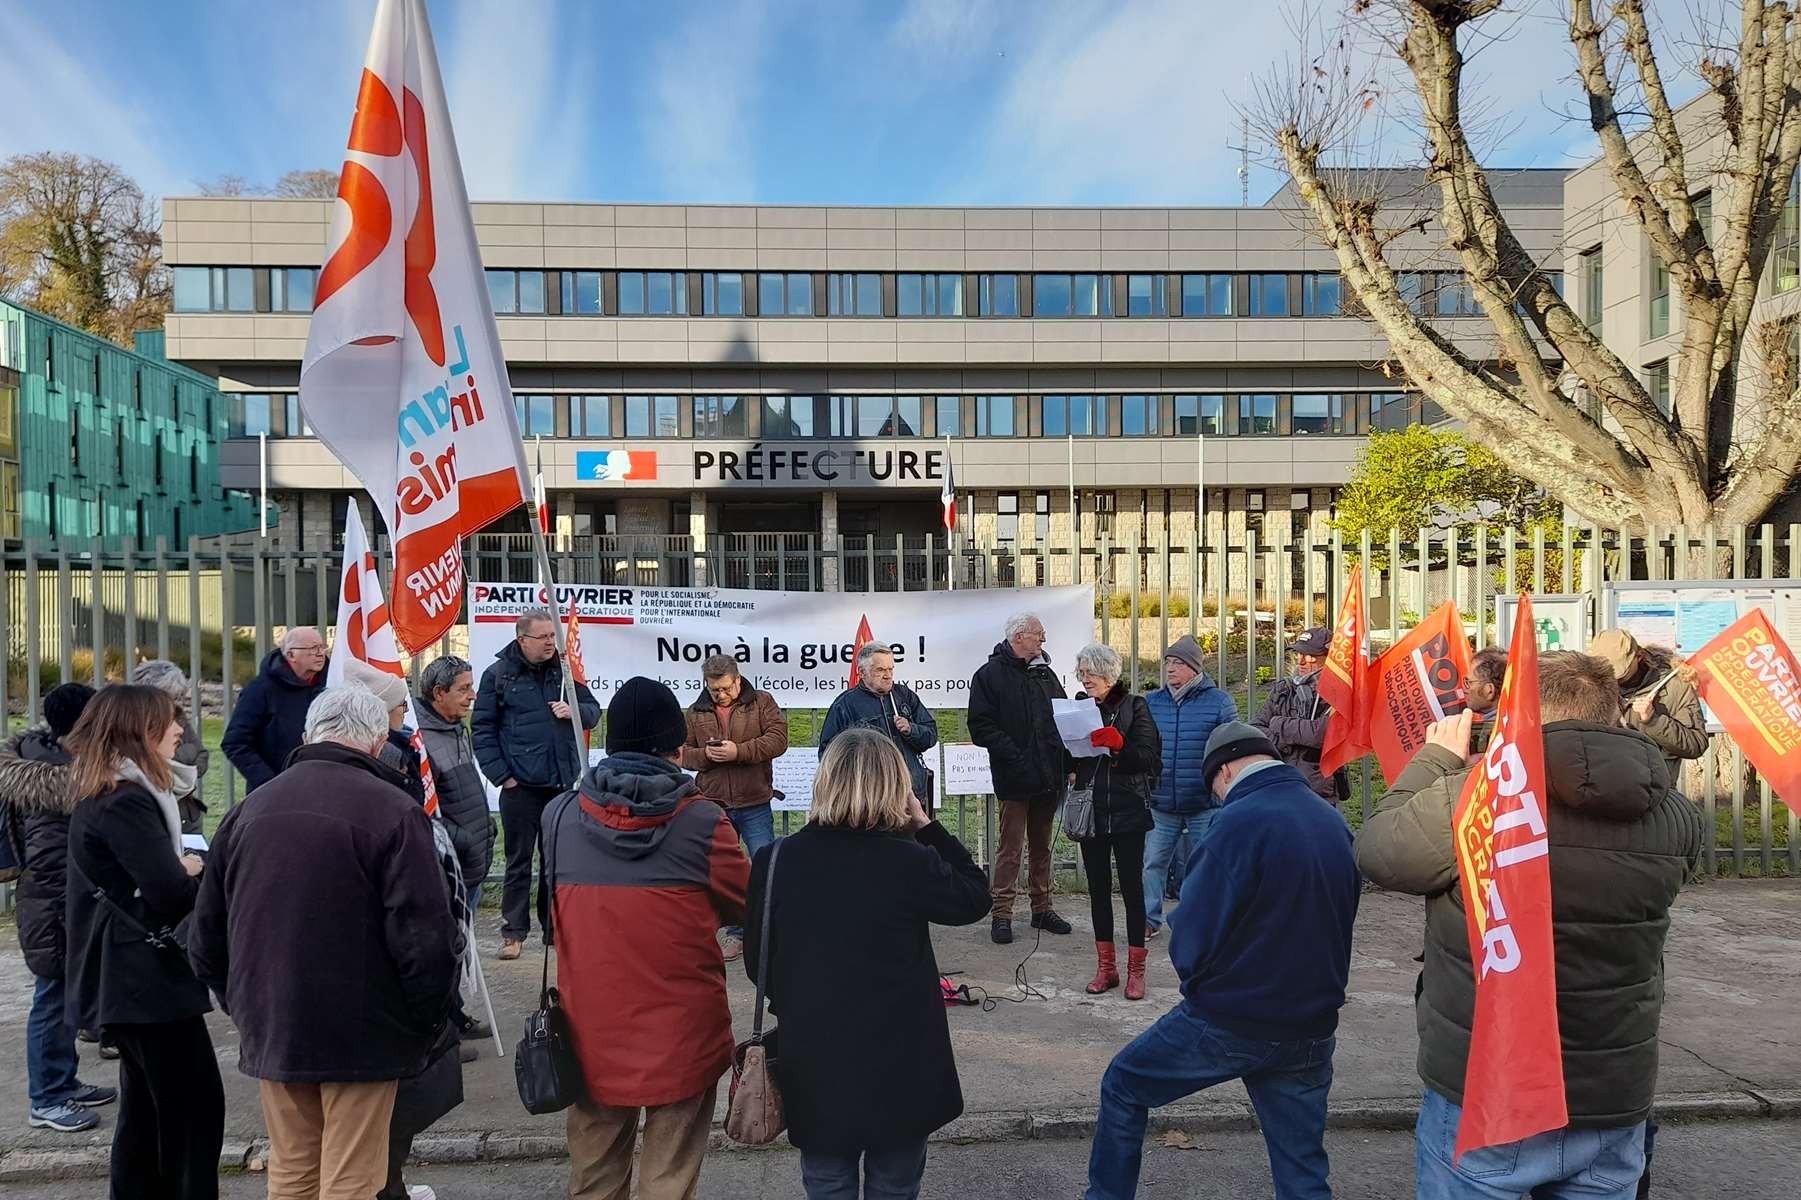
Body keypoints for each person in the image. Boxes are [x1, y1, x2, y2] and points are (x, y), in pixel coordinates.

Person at [1356, 652, 1704, 1199]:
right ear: (1612, 712)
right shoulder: (1675, 815)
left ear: (1517, 710)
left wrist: (1436, 759)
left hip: (1495, 1087)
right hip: (1615, 1093)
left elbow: (1378, 851)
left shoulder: (1476, 795)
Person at [190, 686, 461, 1200]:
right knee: (353, 1175)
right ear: (379, 740)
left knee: (292, 1168)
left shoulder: (251, 809)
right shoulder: (395, 812)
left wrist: (245, 1004)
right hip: (364, 1029)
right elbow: (427, 939)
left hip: (275, 1018)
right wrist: (424, 1019)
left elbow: (205, 935)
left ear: (308, 734)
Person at [1086, 721, 1359, 1200]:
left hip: (1232, 1017)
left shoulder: (1237, 822)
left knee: (1124, 1086)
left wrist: (1201, 986)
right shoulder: (1331, 821)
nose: (1215, 797)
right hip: (1312, 1022)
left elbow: (1193, 930)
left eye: (1213, 785)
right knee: (1302, 1170)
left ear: (1227, 769)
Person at [745, 729, 990, 1199]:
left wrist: (802, 997)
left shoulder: (776, 860)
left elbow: (759, 963)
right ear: (895, 788)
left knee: (826, 1179)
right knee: (895, 1182)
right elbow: (975, 897)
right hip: (901, 1051)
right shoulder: (909, 861)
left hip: (814, 1045)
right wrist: (927, 826)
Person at [548, 677, 750, 1200]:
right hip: (683, 1029)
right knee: (668, 1181)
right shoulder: (704, 822)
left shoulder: (559, 818)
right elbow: (745, 903)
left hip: (588, 1028)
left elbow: (552, 914)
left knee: (592, 1179)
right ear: (675, 744)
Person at [64, 685, 224, 1200]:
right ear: (141, 730)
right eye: (170, 720)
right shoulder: (126, 799)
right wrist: (193, 869)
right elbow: (169, 891)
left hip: (131, 973)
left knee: (148, 1112)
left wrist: (177, 868)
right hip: (141, 978)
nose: (181, 730)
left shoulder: (116, 791)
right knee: (193, 1109)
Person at [0, 683, 117, 1134]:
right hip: (54, 906)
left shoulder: (44, 760)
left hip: (58, 902)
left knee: (66, 996)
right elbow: (52, 861)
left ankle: (62, 1081)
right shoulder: (58, 787)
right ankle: (46, 1098)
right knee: (51, 1000)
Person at [472, 608, 600, 961]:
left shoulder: (564, 671)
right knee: (518, 862)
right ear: (522, 639)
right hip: (519, 787)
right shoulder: (498, 675)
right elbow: (482, 730)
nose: (550, 642)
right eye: (543, 636)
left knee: (556, 861)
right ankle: (513, 932)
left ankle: (553, 930)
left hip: (560, 783)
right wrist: (503, 776)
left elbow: (594, 710)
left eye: (553, 636)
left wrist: (575, 711)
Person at [967, 612, 1075, 944]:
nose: (1043, 641)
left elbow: (1063, 718)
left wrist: (1068, 763)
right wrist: (1015, 755)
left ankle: (1042, 908)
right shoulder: (989, 676)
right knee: (1010, 848)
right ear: (1019, 637)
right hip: (1015, 776)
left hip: (1048, 776)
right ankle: (1001, 914)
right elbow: (981, 726)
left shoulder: (1045, 674)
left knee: (1042, 846)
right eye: (1038, 635)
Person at [678, 654, 790, 960]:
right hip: (713, 805)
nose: (721, 695)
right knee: (711, 870)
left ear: (737, 680)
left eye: (726, 688)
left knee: (764, 868)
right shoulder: (696, 711)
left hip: (754, 801)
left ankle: (769, 931)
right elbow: (682, 754)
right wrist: (707, 757)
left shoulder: (762, 702)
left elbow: (779, 739)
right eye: (715, 690)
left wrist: (739, 752)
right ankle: (730, 932)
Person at [1071, 644, 1162, 1001]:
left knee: (1131, 889)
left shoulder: (1135, 706)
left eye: (1088, 673)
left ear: (1107, 673)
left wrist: (1121, 746)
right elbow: (1069, 753)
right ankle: (1105, 968)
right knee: (1097, 889)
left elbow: (1149, 758)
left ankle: (1136, 971)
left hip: (1128, 810)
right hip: (1092, 808)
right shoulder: (1080, 705)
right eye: (1081, 673)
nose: (1084, 679)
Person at [1141, 635, 1239, 940]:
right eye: (1168, 662)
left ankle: (1204, 920)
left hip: (1203, 804)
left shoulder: (1219, 702)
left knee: (1208, 865)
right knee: (1152, 864)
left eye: (1178, 663)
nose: (1170, 669)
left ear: (1195, 668)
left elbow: (1232, 748)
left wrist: (1218, 788)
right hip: (1161, 803)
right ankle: (1147, 919)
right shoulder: (1152, 702)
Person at [414, 654, 496, 914]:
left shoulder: (457, 728)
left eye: (471, 687)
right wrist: (465, 840)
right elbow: (420, 808)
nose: (472, 695)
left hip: (471, 864)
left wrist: (486, 829)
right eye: (464, 689)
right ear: (439, 693)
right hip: (448, 868)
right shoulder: (420, 741)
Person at [819, 641, 940, 802]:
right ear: (862, 672)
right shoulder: (845, 705)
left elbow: (931, 735)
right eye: (880, 670)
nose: (888, 675)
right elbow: (828, 754)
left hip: (911, 794)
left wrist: (911, 730)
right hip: (870, 798)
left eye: (891, 669)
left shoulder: (905, 695)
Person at [1589, 628, 1708, 789]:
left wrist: (1653, 721)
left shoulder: (1674, 685)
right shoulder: (1589, 686)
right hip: (1599, 792)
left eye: (1620, 674)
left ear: (1639, 657)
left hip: (1653, 793)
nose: (1612, 680)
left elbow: (1696, 744)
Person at [221, 626, 328, 792]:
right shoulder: (260, 690)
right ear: (291, 655)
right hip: (277, 793)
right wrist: (271, 783)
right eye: (312, 649)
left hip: (326, 788)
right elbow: (235, 742)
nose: (320, 653)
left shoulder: (334, 684)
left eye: (322, 647)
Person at [1251, 626, 1347, 806]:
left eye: (1310, 656)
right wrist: (1286, 744)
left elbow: (1321, 734)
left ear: (1329, 659)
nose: (1301, 661)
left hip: (1317, 791)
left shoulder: (1338, 692)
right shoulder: (1284, 688)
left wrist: (1277, 724)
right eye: (1299, 654)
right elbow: (1256, 728)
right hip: (1280, 782)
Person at [130, 660, 209, 835]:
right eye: (167, 696)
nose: (172, 703)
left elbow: (202, 756)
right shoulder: (130, 724)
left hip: (187, 814)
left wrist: (170, 760)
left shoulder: (177, 717)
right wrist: (184, 758)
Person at [1465, 647, 1507, 754]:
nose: (1465, 689)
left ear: (1489, 691)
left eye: (1469, 682)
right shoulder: (1517, 724)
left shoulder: (1489, 736)